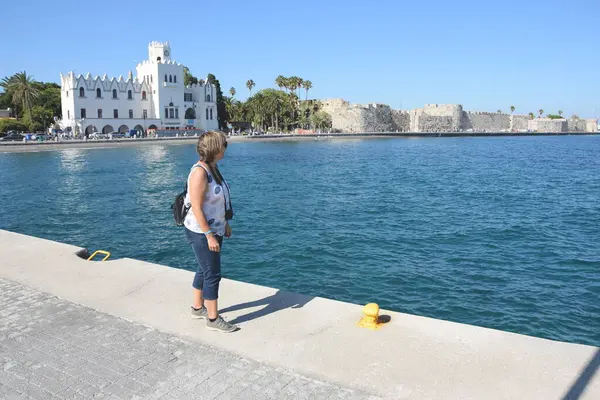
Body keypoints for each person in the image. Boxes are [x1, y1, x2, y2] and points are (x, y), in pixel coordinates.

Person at [183, 131, 237, 333]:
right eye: (223, 145)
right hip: (200, 231)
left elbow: (218, 200)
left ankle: (198, 308)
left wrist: (225, 224)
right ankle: (213, 319)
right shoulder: (200, 172)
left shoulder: (212, 168)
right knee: (213, 273)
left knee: (203, 269)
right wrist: (208, 235)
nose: (225, 148)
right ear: (215, 148)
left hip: (214, 228)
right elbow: (196, 207)